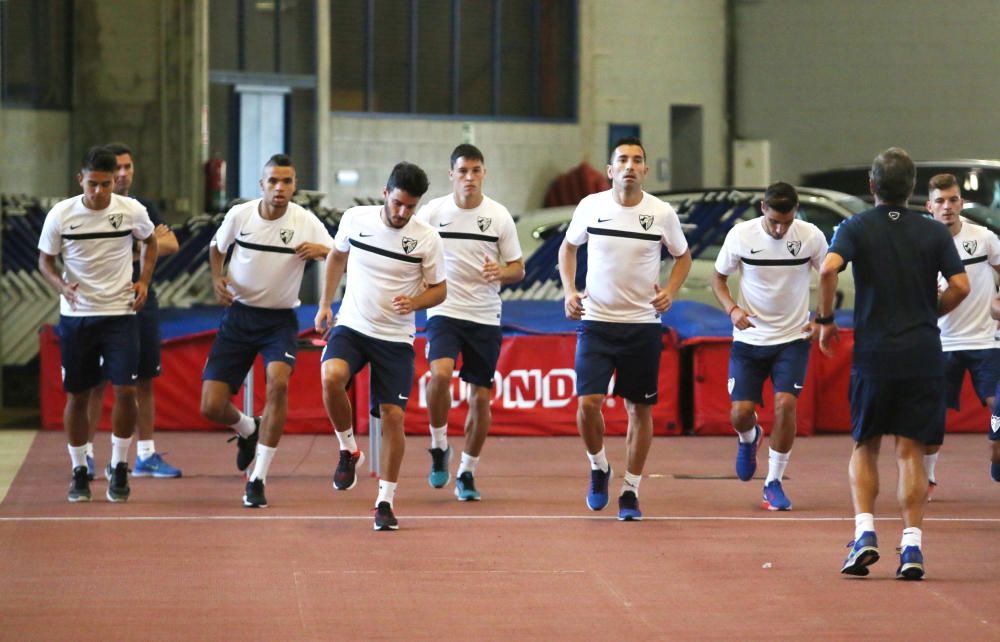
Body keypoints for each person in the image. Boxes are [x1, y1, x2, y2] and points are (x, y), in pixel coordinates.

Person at [818, 147, 969, 581]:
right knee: (911, 452)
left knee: (866, 445)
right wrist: (930, 310)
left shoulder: (855, 226)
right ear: (914, 189)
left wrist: (826, 321)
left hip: (874, 354)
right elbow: (960, 285)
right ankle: (913, 545)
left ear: (871, 186)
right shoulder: (933, 232)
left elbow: (828, 270)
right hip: (922, 352)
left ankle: (865, 533)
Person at [557, 137, 692, 521]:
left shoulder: (662, 213)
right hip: (596, 322)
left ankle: (631, 489)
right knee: (587, 405)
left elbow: (683, 256)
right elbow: (568, 248)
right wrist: (570, 291)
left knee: (639, 409)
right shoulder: (590, 207)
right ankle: (599, 465)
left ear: (646, 170)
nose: (630, 166)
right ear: (611, 170)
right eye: (623, 160)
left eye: (637, 160)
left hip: (642, 326)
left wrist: (670, 290)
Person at [316, 162, 446, 531]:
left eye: (411, 207)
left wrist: (416, 302)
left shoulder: (427, 238)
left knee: (393, 416)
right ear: (385, 193)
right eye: (398, 203)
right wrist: (326, 304)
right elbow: (337, 255)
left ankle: (385, 501)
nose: (403, 213)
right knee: (331, 377)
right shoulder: (355, 219)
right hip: (353, 325)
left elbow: (440, 289)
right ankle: (348, 449)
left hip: (395, 337)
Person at [200, 154, 332, 508]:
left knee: (278, 380)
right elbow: (216, 248)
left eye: (286, 182)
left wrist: (322, 251)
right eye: (273, 181)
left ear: (294, 186)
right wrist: (217, 278)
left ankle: (258, 478)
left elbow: (340, 254)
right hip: (239, 317)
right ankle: (248, 428)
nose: (279, 188)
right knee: (210, 405)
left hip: (279, 321)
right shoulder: (240, 215)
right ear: (261, 185)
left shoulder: (305, 221)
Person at [37, 146, 158, 503]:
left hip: (120, 313)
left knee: (125, 390)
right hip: (77, 316)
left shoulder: (131, 210)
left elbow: (150, 242)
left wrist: (144, 280)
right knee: (78, 394)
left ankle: (120, 466)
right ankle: (79, 468)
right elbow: (44, 261)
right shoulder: (61, 214)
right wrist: (62, 286)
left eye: (106, 185)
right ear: (81, 180)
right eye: (93, 184)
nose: (100, 192)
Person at [415, 144, 524, 501]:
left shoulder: (498, 216)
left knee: (480, 399)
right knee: (441, 375)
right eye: (463, 171)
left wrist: (501, 271)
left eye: (476, 171)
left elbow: (518, 269)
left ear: (484, 174)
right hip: (444, 309)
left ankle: (467, 472)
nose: (470, 178)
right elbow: (410, 249)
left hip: (484, 315)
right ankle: (439, 445)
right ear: (452, 175)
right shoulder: (433, 212)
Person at [710, 182, 827, 511]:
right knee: (740, 414)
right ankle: (749, 438)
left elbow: (829, 274)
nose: (780, 229)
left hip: (792, 339)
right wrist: (733, 309)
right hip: (749, 340)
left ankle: (773, 482)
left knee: (786, 404)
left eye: (787, 222)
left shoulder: (811, 236)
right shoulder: (740, 236)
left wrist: (822, 318)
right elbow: (717, 279)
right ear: (763, 208)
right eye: (775, 221)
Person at [84, 142, 182, 480]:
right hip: (97, 305)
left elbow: (169, 242)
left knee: (143, 379)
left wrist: (132, 252)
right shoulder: (87, 210)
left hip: (139, 300)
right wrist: (139, 244)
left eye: (129, 167)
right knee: (95, 382)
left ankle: (145, 455)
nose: (124, 173)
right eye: (118, 168)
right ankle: (85, 457)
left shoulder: (142, 207)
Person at [925, 173, 1000, 494]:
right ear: (929, 206)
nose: (947, 207)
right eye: (940, 201)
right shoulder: (921, 243)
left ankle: (997, 453)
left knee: (997, 403)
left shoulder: (983, 238)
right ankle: (927, 476)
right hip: (940, 344)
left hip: (986, 341)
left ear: (961, 202)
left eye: (953, 200)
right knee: (931, 418)